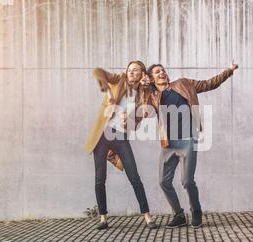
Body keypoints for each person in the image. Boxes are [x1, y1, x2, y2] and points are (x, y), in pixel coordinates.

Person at [144, 62, 239, 228]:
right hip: (168, 144)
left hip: (188, 140)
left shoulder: (183, 84)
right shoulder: (151, 96)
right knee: (163, 181)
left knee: (187, 181)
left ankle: (196, 211)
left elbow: (209, 83)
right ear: (151, 78)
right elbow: (142, 109)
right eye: (157, 72)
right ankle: (179, 215)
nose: (162, 73)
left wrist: (229, 71)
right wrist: (143, 88)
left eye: (163, 70)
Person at [84, 61, 158, 230]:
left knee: (134, 176)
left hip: (120, 136)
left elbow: (137, 122)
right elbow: (97, 69)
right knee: (100, 178)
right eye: (130, 69)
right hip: (102, 135)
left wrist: (128, 121)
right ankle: (103, 218)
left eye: (136, 70)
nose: (131, 72)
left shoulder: (142, 95)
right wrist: (109, 91)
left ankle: (147, 216)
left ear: (142, 74)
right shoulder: (118, 80)